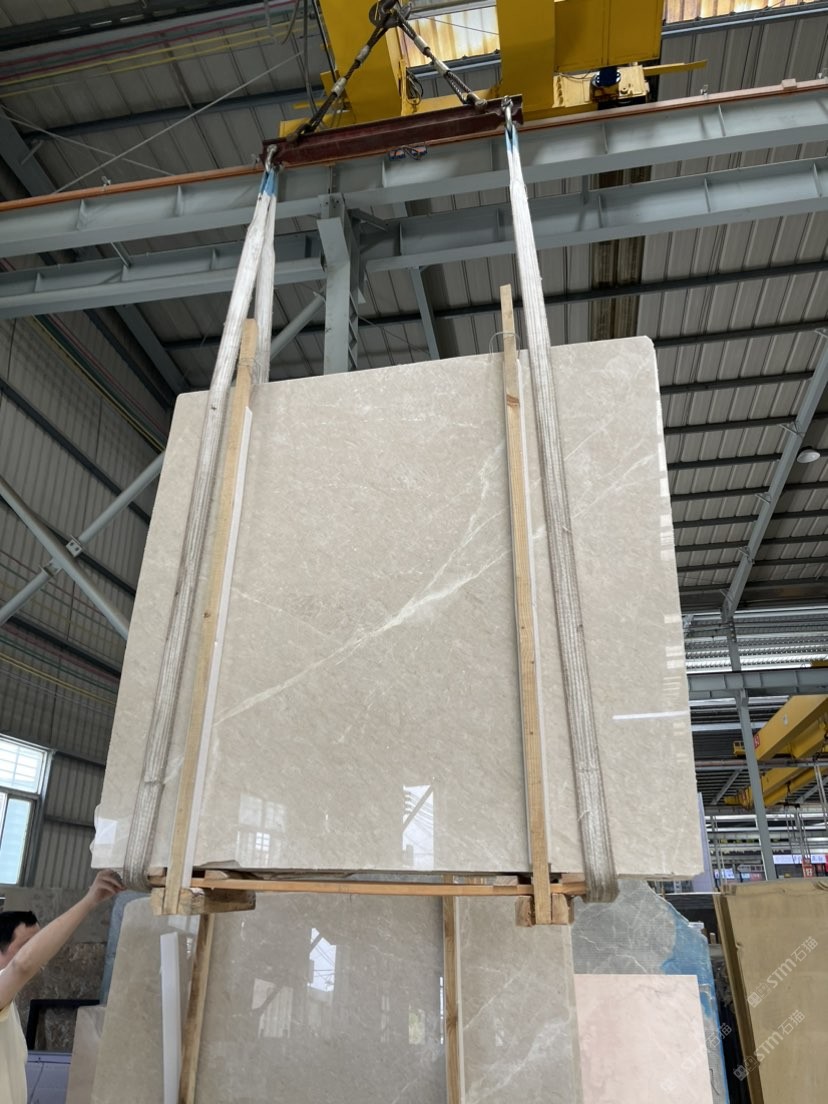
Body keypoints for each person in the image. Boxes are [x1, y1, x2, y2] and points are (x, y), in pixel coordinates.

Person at [0, 870, 123, 1104]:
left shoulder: (8, 1003)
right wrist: (90, 900)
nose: (39, 955)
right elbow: (23, 964)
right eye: (27, 945)